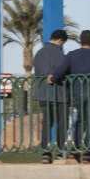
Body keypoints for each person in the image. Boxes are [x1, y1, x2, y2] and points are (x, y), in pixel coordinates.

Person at [48, 30, 90, 164]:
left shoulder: (72, 55)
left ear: (80, 41)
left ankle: (75, 152)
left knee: (79, 123)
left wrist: (52, 78)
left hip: (78, 93)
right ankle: (88, 155)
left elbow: (61, 71)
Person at [32, 29, 69, 164]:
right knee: (62, 124)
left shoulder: (39, 53)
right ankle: (60, 152)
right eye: (62, 43)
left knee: (46, 124)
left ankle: (45, 154)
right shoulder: (60, 55)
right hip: (59, 94)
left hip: (43, 93)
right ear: (60, 41)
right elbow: (65, 72)